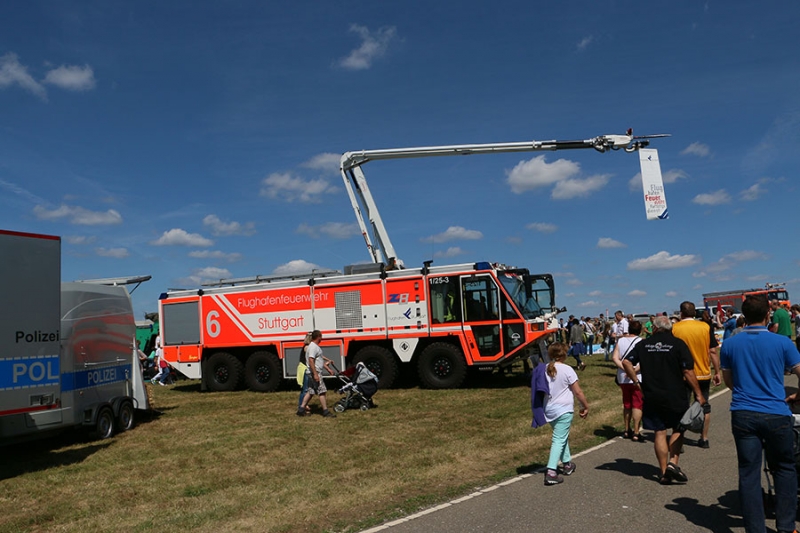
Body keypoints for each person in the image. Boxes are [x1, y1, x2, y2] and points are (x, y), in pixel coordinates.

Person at [720, 295, 800, 533]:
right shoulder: (782, 343)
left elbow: (728, 380)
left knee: (749, 472)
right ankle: (786, 526)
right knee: (784, 468)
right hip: (776, 411)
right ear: (768, 315)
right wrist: (797, 396)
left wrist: (745, 391)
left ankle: (755, 529)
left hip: (743, 412)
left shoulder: (731, 344)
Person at [623, 315, 706, 485]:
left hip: (652, 393)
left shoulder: (643, 345)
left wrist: (636, 382)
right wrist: (698, 393)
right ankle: (673, 463)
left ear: (654, 328)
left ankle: (663, 473)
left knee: (659, 432)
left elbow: (626, 362)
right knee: (679, 427)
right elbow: (688, 371)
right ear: (671, 328)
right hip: (675, 393)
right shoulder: (678, 344)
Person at [672, 301, 720, 449]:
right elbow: (712, 351)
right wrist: (717, 371)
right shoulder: (705, 327)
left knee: (681, 406)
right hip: (702, 372)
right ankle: (704, 438)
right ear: (694, 313)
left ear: (681, 313)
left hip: (682, 374)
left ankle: (679, 439)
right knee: (704, 405)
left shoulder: (675, 328)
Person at [541, 342, 589, 486]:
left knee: (562, 436)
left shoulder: (544, 369)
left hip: (549, 408)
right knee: (558, 439)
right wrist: (584, 406)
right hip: (563, 409)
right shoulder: (567, 369)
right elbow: (578, 392)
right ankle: (551, 472)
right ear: (564, 354)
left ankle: (567, 463)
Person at [612, 320, 644, 442]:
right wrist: (633, 370)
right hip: (637, 376)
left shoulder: (620, 341)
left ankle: (626, 429)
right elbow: (643, 359)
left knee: (627, 403)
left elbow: (615, 358)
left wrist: (625, 368)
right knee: (637, 403)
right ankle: (636, 431)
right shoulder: (641, 342)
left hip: (623, 376)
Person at [297, 330, 336, 418]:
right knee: (322, 391)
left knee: (311, 391)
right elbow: (311, 360)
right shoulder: (313, 347)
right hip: (315, 372)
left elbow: (319, 360)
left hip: (312, 372)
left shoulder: (312, 346)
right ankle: (325, 411)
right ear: (318, 337)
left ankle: (301, 409)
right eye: (321, 336)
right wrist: (315, 374)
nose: (322, 338)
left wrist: (328, 369)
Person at [297, 334, 312, 414]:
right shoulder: (307, 348)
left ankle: (304, 405)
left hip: (305, 369)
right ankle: (301, 406)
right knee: (305, 389)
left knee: (306, 389)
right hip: (304, 370)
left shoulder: (307, 347)